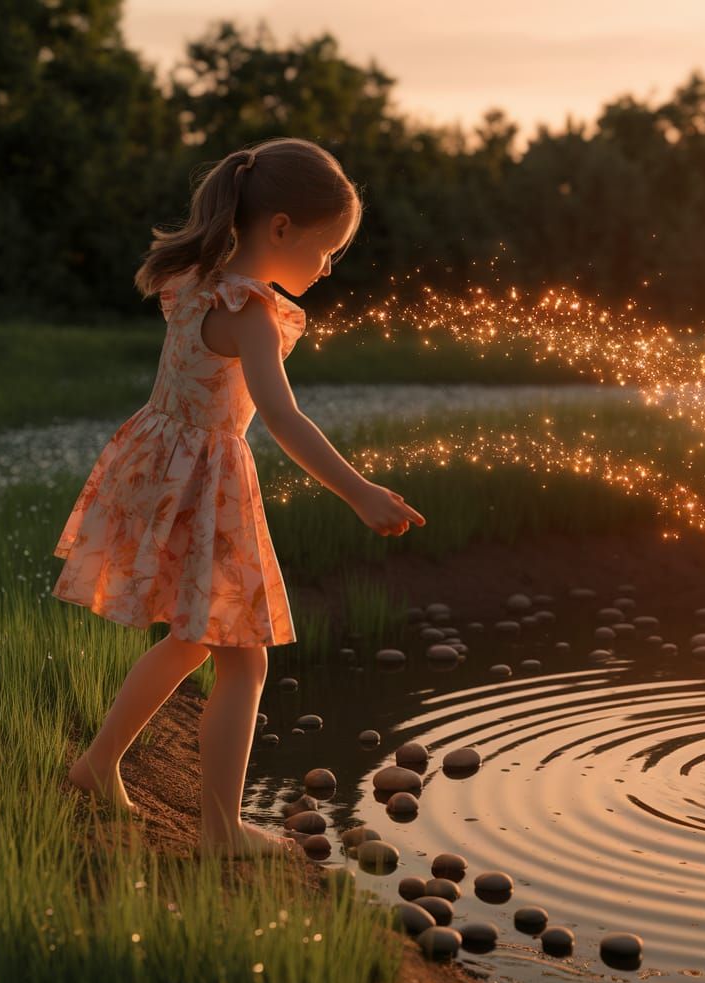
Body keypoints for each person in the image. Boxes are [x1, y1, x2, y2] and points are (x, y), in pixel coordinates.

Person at [54, 137, 426, 859]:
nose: (329, 267)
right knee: (244, 660)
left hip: (160, 466)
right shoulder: (251, 309)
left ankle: (97, 766)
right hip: (205, 483)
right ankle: (222, 832)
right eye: (328, 250)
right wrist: (360, 492)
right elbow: (282, 417)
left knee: (192, 640)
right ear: (281, 228)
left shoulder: (195, 281)